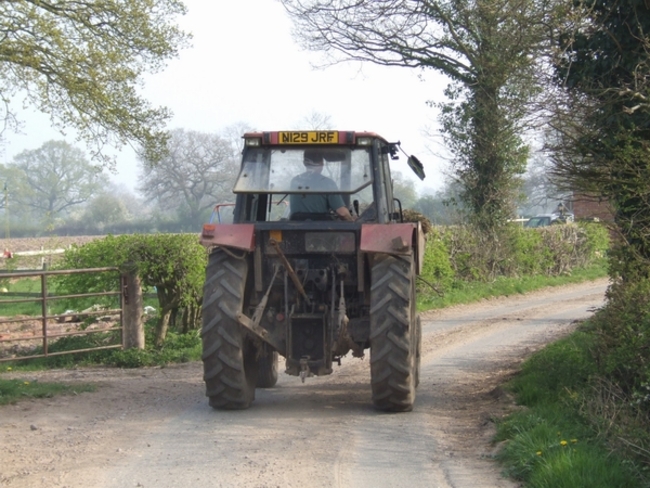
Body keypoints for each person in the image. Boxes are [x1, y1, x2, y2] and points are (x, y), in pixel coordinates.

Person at [289, 149, 355, 221]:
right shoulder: (327, 183)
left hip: (295, 228)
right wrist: (352, 220)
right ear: (321, 163)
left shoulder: (295, 181)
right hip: (319, 229)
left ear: (304, 163)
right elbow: (342, 213)